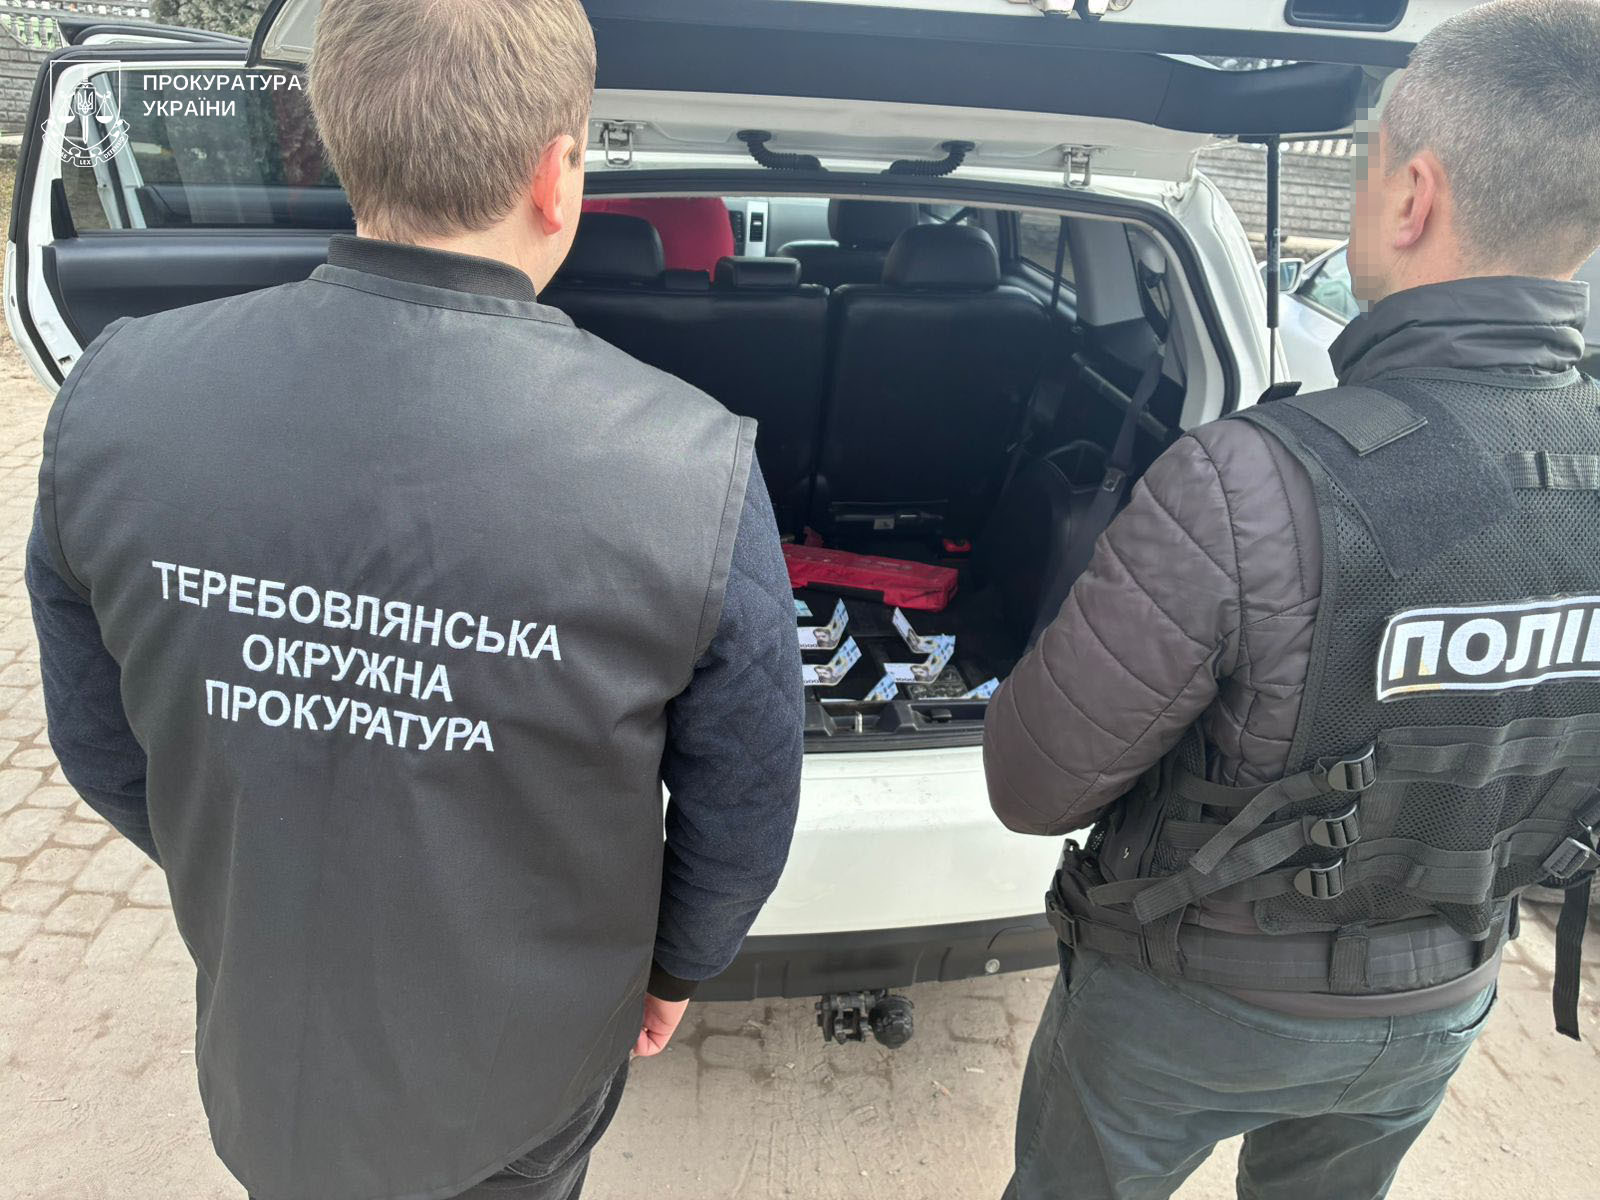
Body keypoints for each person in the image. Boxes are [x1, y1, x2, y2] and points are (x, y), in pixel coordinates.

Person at [25, 1, 803, 1198]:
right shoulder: (690, 469)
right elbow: (743, 798)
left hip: (271, 1047)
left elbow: (97, 738)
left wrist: (251, 858)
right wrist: (676, 967)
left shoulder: (116, 397)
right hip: (529, 1072)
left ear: (338, 144)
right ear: (556, 175)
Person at [982, 2, 1600, 1198]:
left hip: (1187, 998)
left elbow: (1031, 784)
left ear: (1411, 195)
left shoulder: (1250, 480)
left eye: (1365, 175)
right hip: (1441, 990)